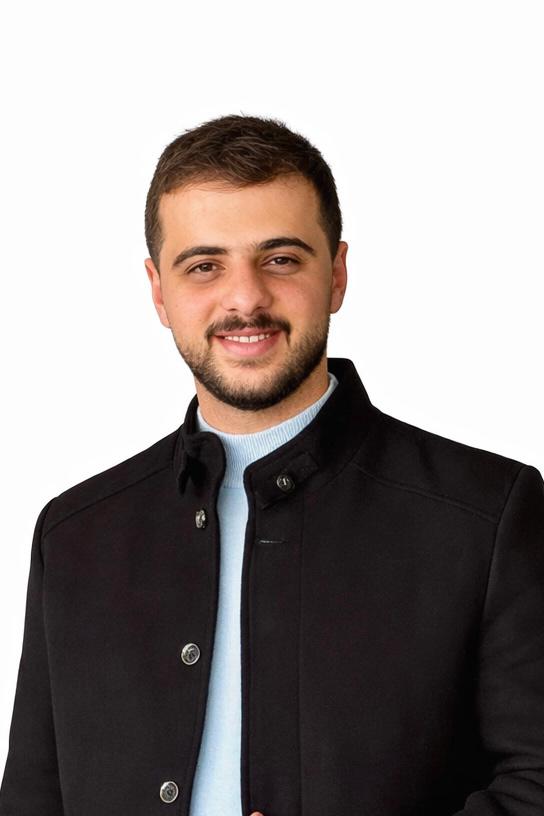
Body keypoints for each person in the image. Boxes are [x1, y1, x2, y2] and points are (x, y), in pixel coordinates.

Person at [0, 114, 543, 816]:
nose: (246, 298)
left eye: (281, 259)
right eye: (205, 266)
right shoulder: (75, 532)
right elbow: (32, 798)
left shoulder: (488, 513)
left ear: (337, 274)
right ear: (159, 291)